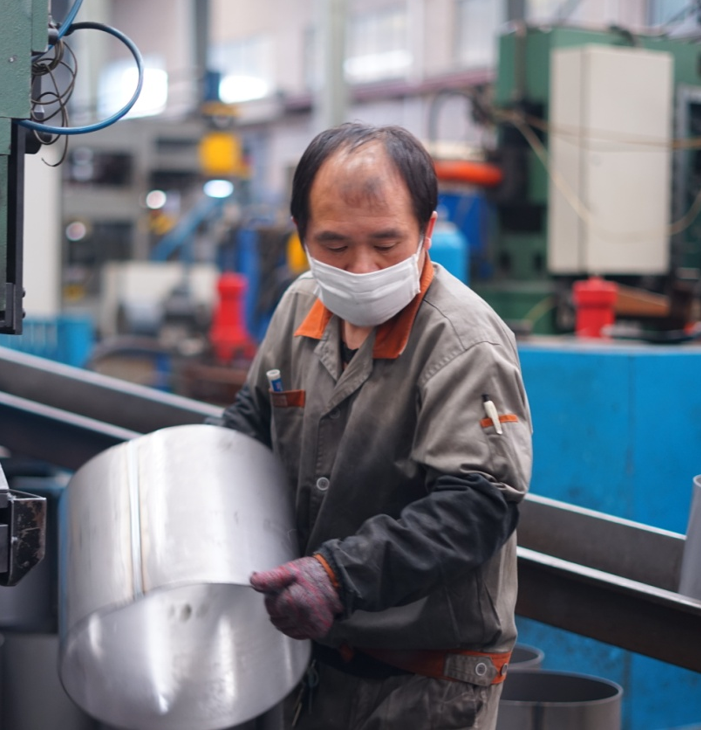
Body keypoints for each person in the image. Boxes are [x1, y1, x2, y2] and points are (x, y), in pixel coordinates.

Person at [213, 122, 533, 729]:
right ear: (301, 233)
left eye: (386, 244)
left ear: (427, 230)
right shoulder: (299, 304)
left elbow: (475, 508)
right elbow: (250, 424)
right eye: (334, 245)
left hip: (424, 684)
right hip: (314, 665)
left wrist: (339, 577)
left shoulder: (464, 342)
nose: (361, 268)